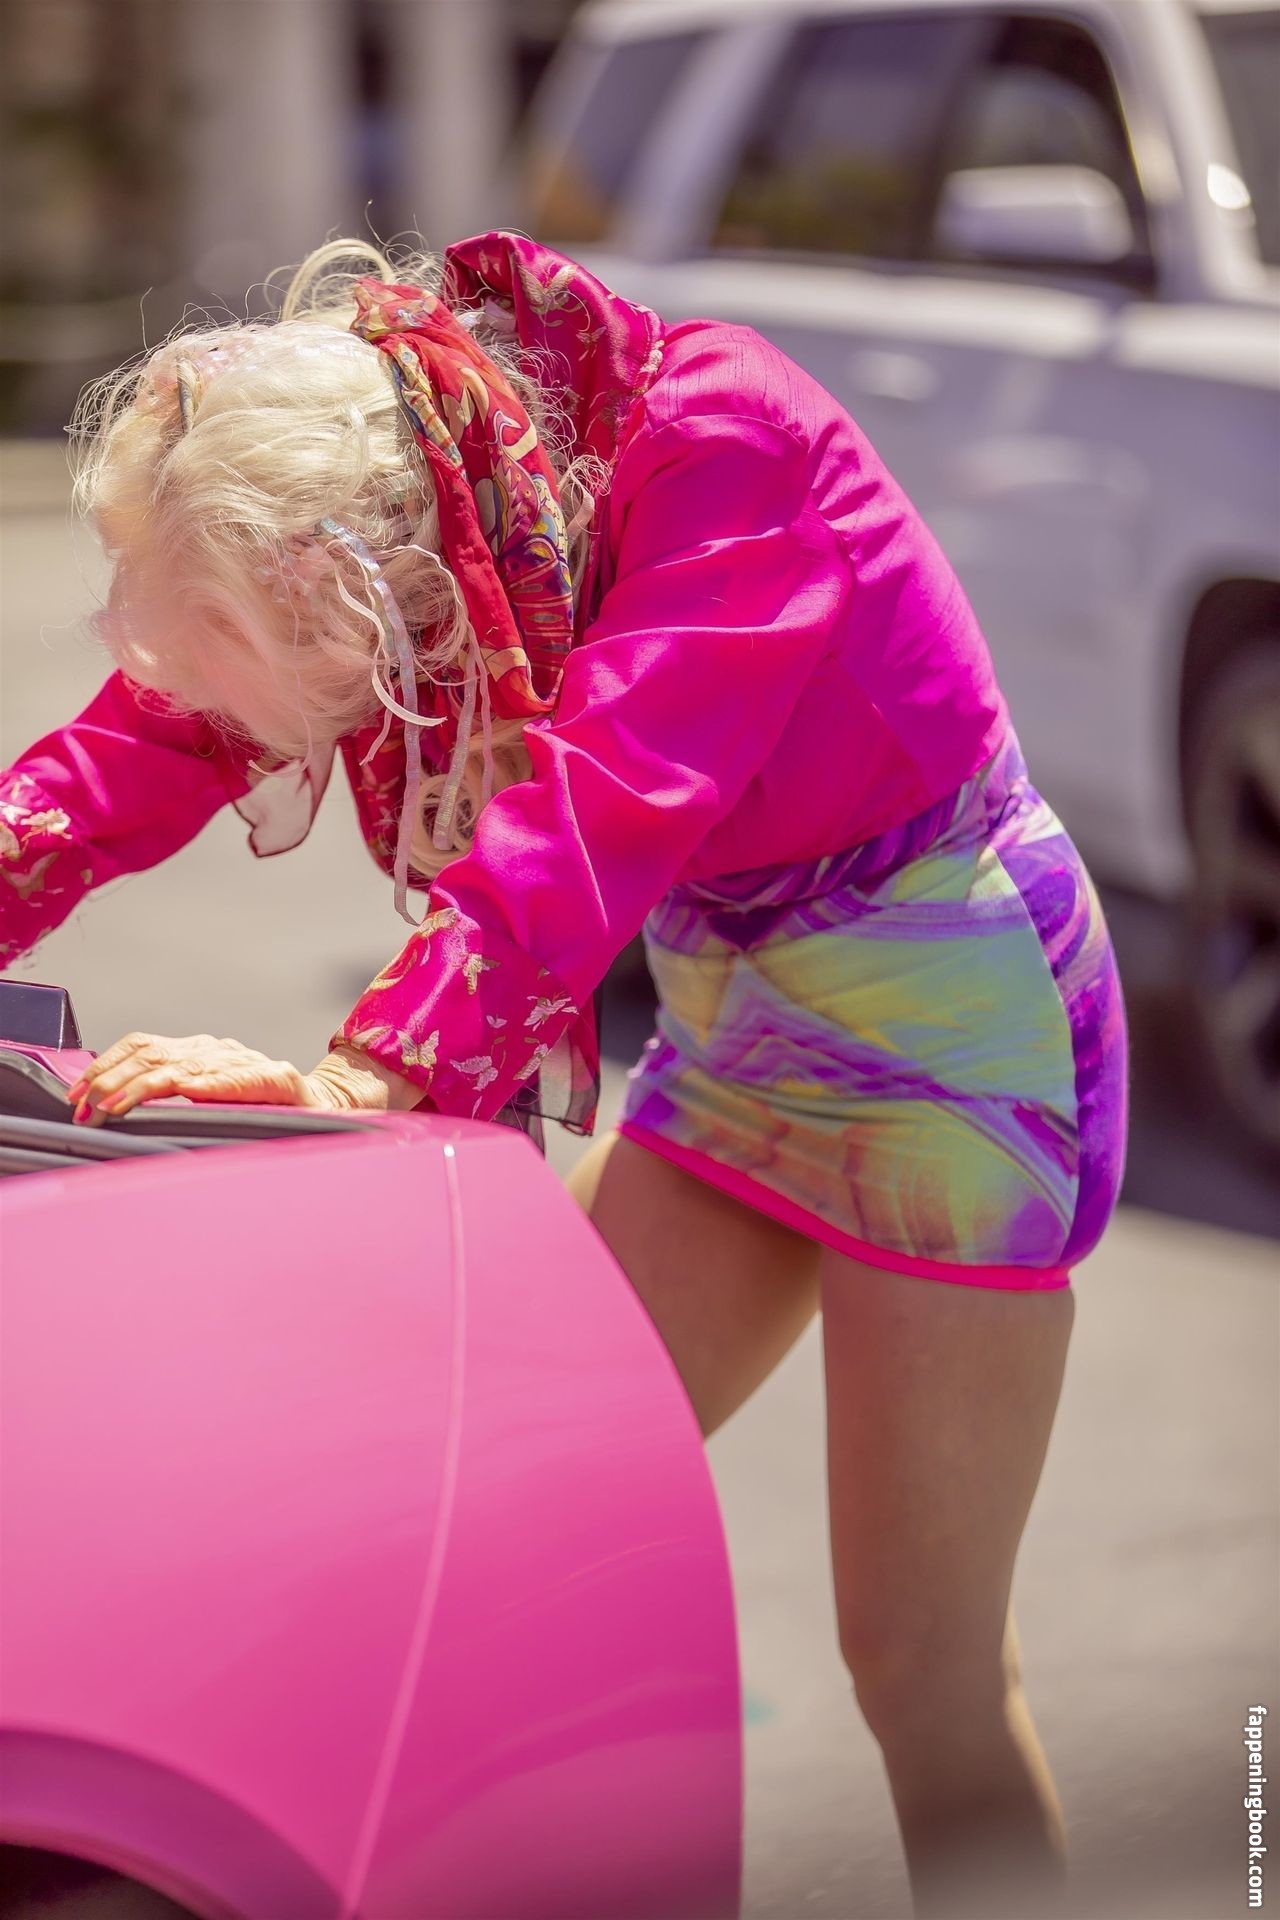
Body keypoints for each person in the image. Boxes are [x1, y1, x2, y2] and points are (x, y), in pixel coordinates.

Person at [0, 232, 1127, 1917]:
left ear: (356, 575)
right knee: (484, 1514)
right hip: (742, 1013)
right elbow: (148, 742)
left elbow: (605, 798)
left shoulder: (725, 437)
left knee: (925, 1665)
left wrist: (371, 1074)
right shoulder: (411, 487)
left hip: (955, 1030)